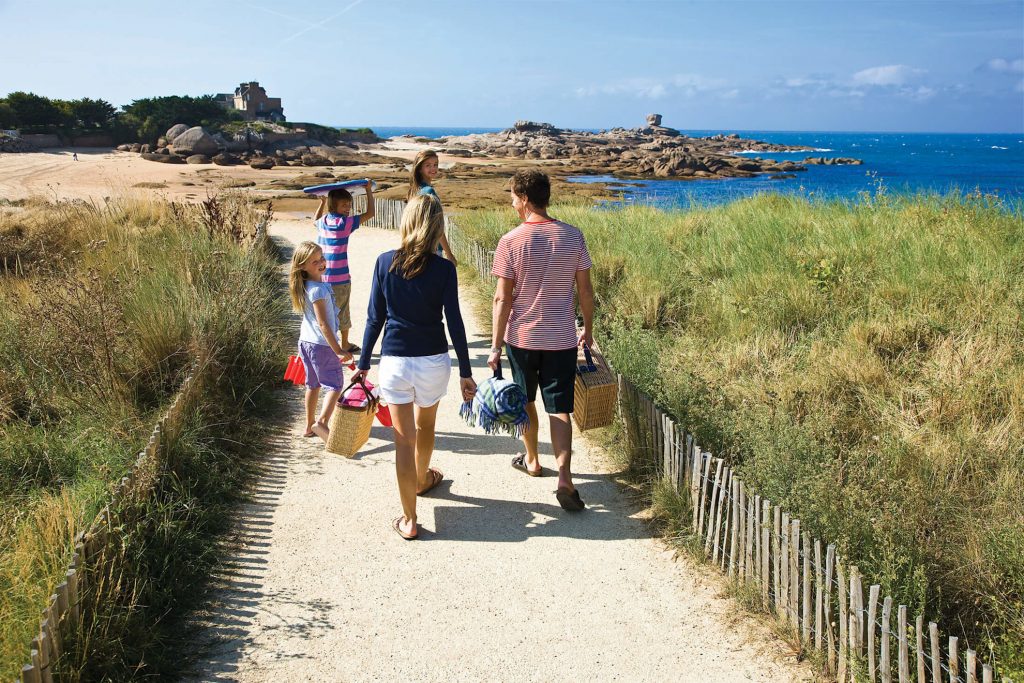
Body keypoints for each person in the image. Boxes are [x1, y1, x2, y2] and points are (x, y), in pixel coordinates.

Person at [354, 193, 476, 540]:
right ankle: (423, 479)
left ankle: (409, 520)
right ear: (437, 226)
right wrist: (466, 372)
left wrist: (363, 364)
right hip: (433, 362)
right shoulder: (444, 269)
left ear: (407, 222)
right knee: (426, 426)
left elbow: (374, 318)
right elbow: (455, 323)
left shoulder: (383, 263)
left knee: (403, 441)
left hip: (395, 363)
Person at [488, 169, 595, 512]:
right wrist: (588, 331)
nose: (512, 204)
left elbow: (502, 299)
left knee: (526, 401)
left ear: (524, 199)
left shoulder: (510, 241)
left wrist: (494, 346)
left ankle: (533, 460)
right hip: (561, 337)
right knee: (560, 408)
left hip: (521, 336)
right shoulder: (573, 236)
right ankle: (564, 476)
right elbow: (585, 291)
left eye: (513, 198)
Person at [288, 241, 353, 440]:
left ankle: (309, 426)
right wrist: (339, 350)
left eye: (322, 257)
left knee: (313, 385)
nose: (321, 262)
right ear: (302, 267)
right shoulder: (318, 290)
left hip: (305, 343)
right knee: (334, 385)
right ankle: (322, 423)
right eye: (315, 261)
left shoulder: (306, 286)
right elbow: (323, 324)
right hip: (322, 345)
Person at [313, 181, 375, 354]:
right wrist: (368, 191)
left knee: (326, 313)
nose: (348, 207)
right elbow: (370, 213)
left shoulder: (323, 222)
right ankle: (345, 344)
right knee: (343, 311)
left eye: (350, 204)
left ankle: (327, 344)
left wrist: (322, 203)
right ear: (336, 205)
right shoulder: (345, 223)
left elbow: (314, 221)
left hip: (322, 277)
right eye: (344, 205)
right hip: (340, 278)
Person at [407, 149, 457, 264]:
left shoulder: (414, 191)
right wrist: (449, 255)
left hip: (416, 246)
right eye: (428, 165)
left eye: (435, 165)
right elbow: (437, 225)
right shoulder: (428, 192)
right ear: (419, 168)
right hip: (432, 249)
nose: (433, 168)